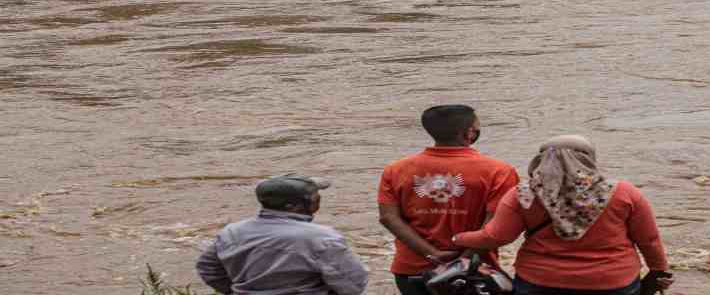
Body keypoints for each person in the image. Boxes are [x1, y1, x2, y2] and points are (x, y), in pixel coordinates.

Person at [451, 135, 672, 295]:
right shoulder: (623, 192)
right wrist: (658, 270)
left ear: (541, 159)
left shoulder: (524, 193)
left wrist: (458, 238)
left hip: (540, 281)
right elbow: (649, 240)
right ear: (589, 159)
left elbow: (496, 237)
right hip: (613, 282)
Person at [378, 105, 520, 295]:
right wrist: (461, 261)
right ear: (469, 133)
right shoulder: (499, 171)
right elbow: (495, 227)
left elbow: (389, 218)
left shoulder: (396, 169)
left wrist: (433, 254)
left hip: (411, 270)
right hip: (473, 272)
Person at [197, 174, 370, 295]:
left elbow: (208, 268)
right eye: (315, 197)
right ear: (294, 207)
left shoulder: (231, 232)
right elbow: (353, 285)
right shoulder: (322, 238)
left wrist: (232, 290)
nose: (318, 200)